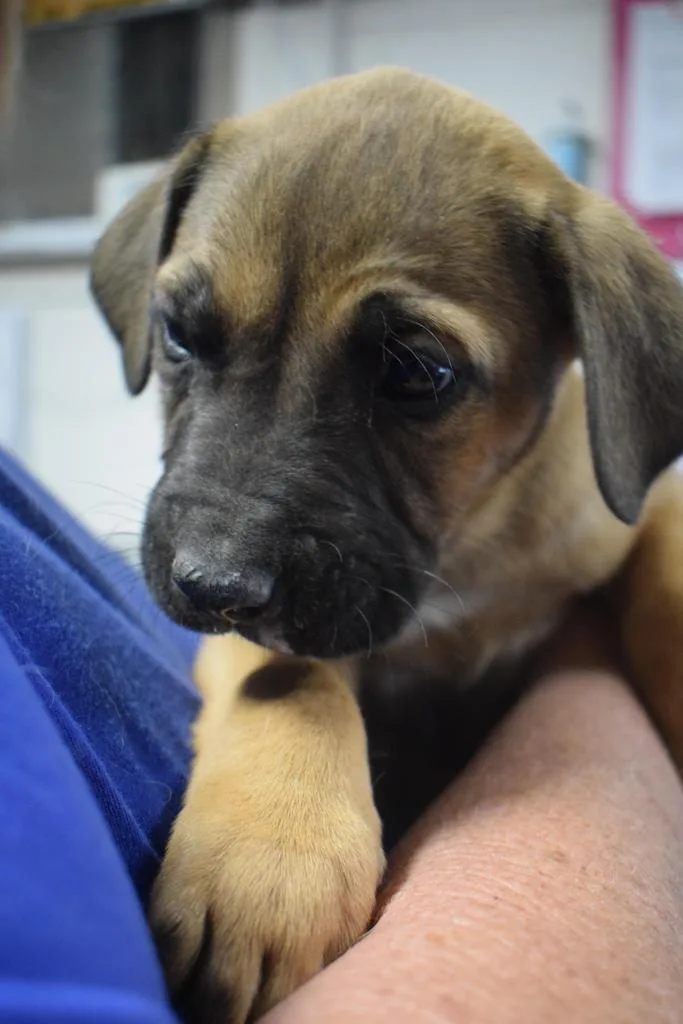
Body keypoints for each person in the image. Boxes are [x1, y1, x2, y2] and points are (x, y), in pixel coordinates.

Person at [2, 24, 683, 1024]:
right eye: (189, 338)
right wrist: (286, 729)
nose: (221, 559)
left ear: (575, 350)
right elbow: (244, 647)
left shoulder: (592, 510)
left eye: (413, 375)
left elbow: (657, 518)